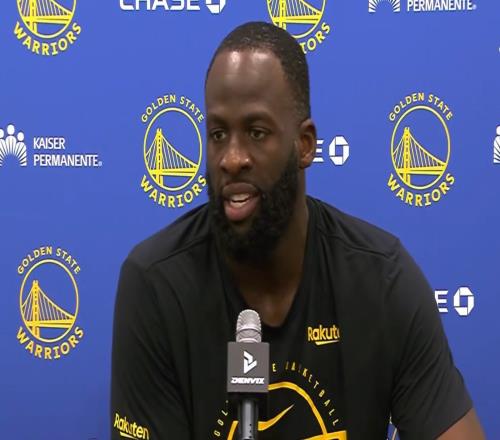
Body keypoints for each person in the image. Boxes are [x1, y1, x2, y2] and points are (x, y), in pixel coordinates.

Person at [111, 22, 485, 440]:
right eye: (218, 134)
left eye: (256, 132)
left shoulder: (382, 278)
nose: (231, 159)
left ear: (305, 144)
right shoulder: (157, 284)